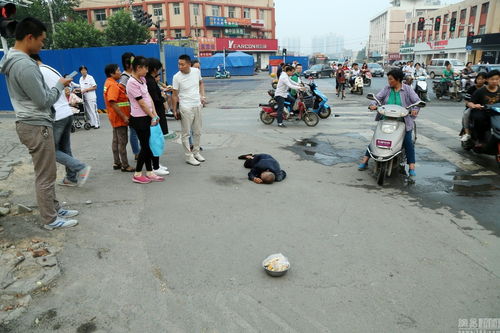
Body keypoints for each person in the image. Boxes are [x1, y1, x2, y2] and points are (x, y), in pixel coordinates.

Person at [0, 17, 79, 230]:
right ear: (29, 38)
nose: (42, 45)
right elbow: (44, 100)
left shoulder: (13, 59)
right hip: (35, 124)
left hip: (32, 122)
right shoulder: (24, 65)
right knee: (46, 175)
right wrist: (60, 86)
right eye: (41, 40)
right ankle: (50, 219)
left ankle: (54, 208)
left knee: (48, 170)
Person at [31, 54, 92, 187]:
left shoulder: (37, 72)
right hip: (66, 112)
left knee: (50, 150)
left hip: (56, 116)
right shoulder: (51, 69)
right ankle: (70, 178)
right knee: (65, 149)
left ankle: (80, 167)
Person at [358, 69, 422, 179]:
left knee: (408, 142)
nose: (389, 81)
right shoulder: (387, 89)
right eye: (388, 79)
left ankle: (412, 167)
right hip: (386, 119)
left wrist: (415, 109)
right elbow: (377, 98)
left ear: (398, 79)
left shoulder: (407, 89)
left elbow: (417, 101)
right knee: (376, 138)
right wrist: (373, 104)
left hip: (402, 121)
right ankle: (365, 160)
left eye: (390, 79)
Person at [126, 56, 164, 184]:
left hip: (147, 116)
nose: (147, 70)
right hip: (139, 119)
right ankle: (137, 174)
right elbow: (141, 103)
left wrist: (154, 114)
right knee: (146, 147)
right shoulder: (131, 82)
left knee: (147, 145)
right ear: (138, 68)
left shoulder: (142, 79)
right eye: (145, 67)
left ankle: (149, 172)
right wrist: (152, 116)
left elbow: (148, 98)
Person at [172, 54, 206, 166]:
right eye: (178, 64)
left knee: (197, 131)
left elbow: (201, 83)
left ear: (189, 64)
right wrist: (174, 110)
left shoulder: (196, 72)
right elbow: (174, 95)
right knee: (186, 133)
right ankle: (188, 156)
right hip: (185, 107)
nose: (179, 66)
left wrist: (202, 95)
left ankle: (196, 152)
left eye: (182, 64)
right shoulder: (176, 77)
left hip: (197, 105)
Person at [103, 64, 134, 172]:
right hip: (119, 118)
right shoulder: (113, 86)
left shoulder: (109, 83)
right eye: (118, 70)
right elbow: (113, 102)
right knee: (122, 141)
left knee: (116, 140)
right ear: (112, 73)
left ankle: (117, 162)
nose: (120, 72)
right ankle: (125, 165)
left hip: (114, 117)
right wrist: (124, 116)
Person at [145, 57, 170, 176]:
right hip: (154, 113)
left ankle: (156, 164)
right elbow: (154, 98)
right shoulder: (149, 81)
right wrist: (163, 98)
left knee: (155, 139)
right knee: (155, 140)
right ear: (154, 69)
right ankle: (155, 166)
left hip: (155, 112)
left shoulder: (149, 80)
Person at [468, 70, 500, 145]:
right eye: (492, 79)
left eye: (497, 79)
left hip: (496, 112)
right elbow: (470, 102)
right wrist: (474, 105)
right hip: (482, 111)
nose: (494, 81)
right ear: (487, 80)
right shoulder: (480, 91)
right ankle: (479, 139)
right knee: (479, 119)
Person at [119, 52, 140, 160]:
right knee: (134, 131)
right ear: (127, 64)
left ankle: (139, 150)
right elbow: (122, 94)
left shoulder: (134, 74)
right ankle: (137, 152)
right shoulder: (124, 77)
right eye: (133, 61)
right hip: (131, 108)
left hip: (138, 107)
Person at [461, 72, 487, 142]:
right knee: (466, 114)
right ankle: (467, 133)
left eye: (482, 79)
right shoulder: (472, 89)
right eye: (479, 79)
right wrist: (472, 105)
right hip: (473, 107)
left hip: (486, 107)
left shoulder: (488, 88)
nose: (480, 81)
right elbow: (466, 100)